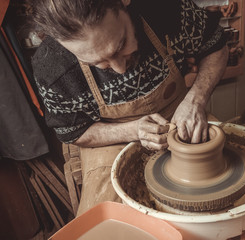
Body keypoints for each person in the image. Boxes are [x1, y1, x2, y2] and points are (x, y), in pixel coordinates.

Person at [31, 0, 228, 216]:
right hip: (111, 136)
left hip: (180, 114)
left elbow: (215, 45)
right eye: (98, 63)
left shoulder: (167, 9)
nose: (120, 68)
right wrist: (132, 130)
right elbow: (73, 132)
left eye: (121, 44)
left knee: (223, 191)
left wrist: (195, 101)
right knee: (106, 219)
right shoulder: (52, 68)